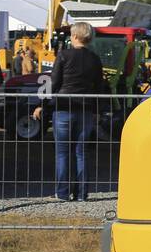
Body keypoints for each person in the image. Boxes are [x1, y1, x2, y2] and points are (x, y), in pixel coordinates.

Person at [32, 22, 104, 202]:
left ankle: (62, 193)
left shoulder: (63, 55)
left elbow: (54, 83)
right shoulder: (95, 59)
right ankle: (81, 194)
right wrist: (97, 111)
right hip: (86, 110)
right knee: (82, 153)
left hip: (63, 108)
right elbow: (99, 87)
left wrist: (43, 105)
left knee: (63, 153)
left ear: (74, 36)